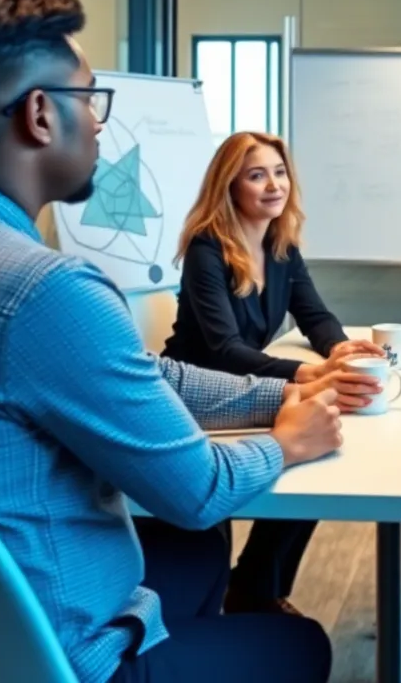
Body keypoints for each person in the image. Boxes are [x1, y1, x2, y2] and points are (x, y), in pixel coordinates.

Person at [0, 0, 378, 683]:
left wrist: (287, 390)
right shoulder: (45, 291)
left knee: (200, 554)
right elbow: (197, 489)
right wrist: (289, 441)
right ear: (38, 115)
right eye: (89, 101)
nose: (97, 125)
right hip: (53, 654)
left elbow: (153, 376)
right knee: (300, 645)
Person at [164, 131, 383, 614]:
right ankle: (219, 600)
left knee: (317, 454)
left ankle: (257, 588)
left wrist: (341, 347)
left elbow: (315, 316)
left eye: (279, 173)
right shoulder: (208, 249)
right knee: (297, 449)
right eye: (257, 175)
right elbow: (224, 349)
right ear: (230, 186)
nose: (273, 185)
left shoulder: (279, 244)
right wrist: (312, 374)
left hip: (250, 388)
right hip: (199, 400)